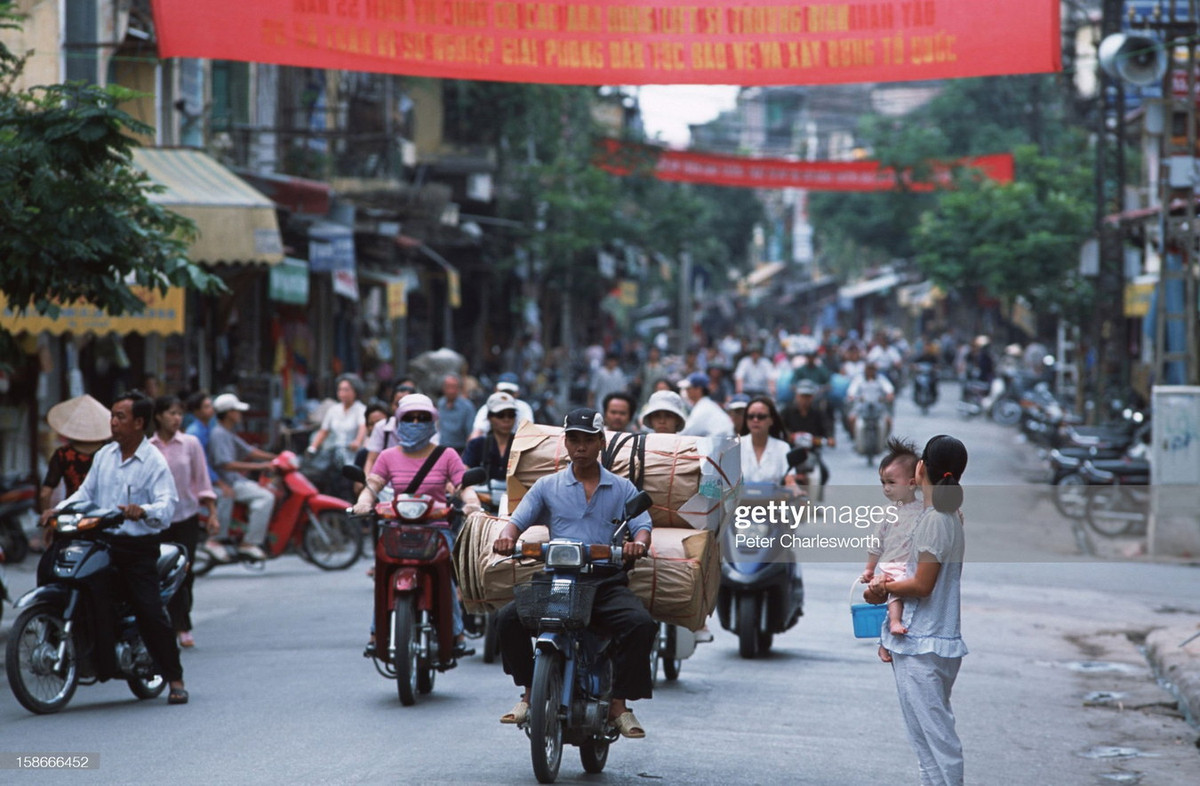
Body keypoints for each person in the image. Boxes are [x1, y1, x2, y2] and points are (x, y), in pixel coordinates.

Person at [492, 408, 655, 739]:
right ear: (565, 443)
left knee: (641, 624)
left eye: (588, 440)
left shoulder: (622, 487)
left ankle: (618, 704)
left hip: (604, 581)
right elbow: (517, 521)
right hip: (559, 581)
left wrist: (638, 543)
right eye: (574, 439)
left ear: (601, 442)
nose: (580, 446)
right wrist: (507, 537)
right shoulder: (547, 485)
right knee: (506, 619)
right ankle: (528, 694)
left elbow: (642, 526)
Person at [41, 391, 187, 704]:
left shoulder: (153, 461)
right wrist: (58, 510)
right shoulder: (105, 455)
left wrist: (143, 510)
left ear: (139, 422)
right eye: (113, 416)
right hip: (101, 543)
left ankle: (175, 679)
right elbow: (85, 493)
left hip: (137, 549)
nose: (113, 422)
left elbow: (166, 506)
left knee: (149, 610)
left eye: (120, 417)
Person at [865, 434, 968, 786]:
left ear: (921, 468)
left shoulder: (935, 520)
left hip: (924, 644)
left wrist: (883, 588)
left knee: (937, 742)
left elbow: (922, 585)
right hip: (927, 641)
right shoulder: (943, 515)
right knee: (926, 743)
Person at [352, 394, 481, 655]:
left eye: (422, 418)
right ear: (399, 422)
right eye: (409, 418)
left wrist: (472, 504)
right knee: (383, 575)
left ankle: (456, 632)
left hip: (437, 529)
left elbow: (463, 486)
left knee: (446, 576)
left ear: (432, 421)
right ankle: (376, 632)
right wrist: (363, 502)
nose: (415, 423)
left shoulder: (447, 455)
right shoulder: (387, 456)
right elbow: (373, 485)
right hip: (397, 529)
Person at [151, 395, 219, 649]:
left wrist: (212, 513)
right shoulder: (149, 447)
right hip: (158, 520)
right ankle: (168, 624)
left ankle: (183, 624)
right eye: (171, 413)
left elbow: (202, 480)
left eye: (179, 414)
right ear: (159, 416)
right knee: (160, 573)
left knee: (184, 573)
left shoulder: (190, 443)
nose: (176, 418)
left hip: (186, 515)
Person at [37, 394, 111, 584]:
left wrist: (48, 520)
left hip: (70, 517)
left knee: (59, 562)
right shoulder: (109, 453)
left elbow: (46, 492)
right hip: (102, 517)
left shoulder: (63, 454)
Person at [860, 437, 922, 637]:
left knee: (906, 594)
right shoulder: (886, 512)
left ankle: (890, 631)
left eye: (891, 482)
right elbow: (876, 544)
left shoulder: (924, 510)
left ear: (911, 483)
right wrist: (869, 569)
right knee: (893, 593)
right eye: (883, 482)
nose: (886, 488)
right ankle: (894, 622)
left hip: (913, 566)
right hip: (893, 566)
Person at [208, 393, 277, 561]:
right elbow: (226, 464)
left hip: (235, 480)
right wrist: (261, 466)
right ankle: (249, 542)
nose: (240, 414)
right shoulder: (218, 434)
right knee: (266, 497)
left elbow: (250, 451)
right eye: (237, 411)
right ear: (229, 413)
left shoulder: (228, 432)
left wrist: (276, 457)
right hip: (228, 482)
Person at [185, 390, 234, 561]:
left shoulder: (208, 427)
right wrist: (219, 483)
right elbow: (201, 464)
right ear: (197, 411)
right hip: (197, 481)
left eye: (210, 406)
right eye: (206, 407)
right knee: (225, 495)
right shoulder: (195, 432)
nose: (211, 409)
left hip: (206, 477)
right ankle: (216, 539)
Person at [739, 396, 799, 491]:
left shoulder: (782, 448)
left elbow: (790, 481)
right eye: (750, 416)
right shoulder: (735, 445)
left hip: (774, 500)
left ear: (771, 420)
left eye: (761, 417)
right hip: (740, 500)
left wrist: (796, 491)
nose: (755, 420)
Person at [306, 373, 367, 465]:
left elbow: (362, 427)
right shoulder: (333, 409)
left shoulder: (361, 409)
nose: (342, 393)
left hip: (353, 455)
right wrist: (313, 447)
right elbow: (324, 431)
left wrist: (357, 442)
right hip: (334, 454)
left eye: (346, 390)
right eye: (340, 390)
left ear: (355, 391)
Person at [462, 392, 518, 483]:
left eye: (511, 415)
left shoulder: (522, 445)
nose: (506, 419)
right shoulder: (476, 445)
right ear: (489, 417)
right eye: (500, 415)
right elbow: (464, 471)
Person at [469, 373, 535, 440]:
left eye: (510, 392)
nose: (506, 396)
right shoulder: (486, 408)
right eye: (503, 392)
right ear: (496, 390)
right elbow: (477, 433)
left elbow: (529, 434)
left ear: (517, 393)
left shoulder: (523, 408)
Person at [846, 362, 895, 436]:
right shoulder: (858, 379)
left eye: (872, 369)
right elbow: (852, 390)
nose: (870, 371)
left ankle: (885, 438)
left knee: (888, 421)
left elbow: (889, 388)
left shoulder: (881, 379)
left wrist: (889, 395)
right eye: (869, 369)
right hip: (861, 407)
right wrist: (852, 396)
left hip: (878, 406)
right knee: (851, 419)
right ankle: (855, 437)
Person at [679, 372, 734, 437]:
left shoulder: (703, 407)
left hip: (723, 441)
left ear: (698, 389)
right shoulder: (705, 404)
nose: (686, 391)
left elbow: (685, 432)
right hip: (721, 440)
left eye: (688, 388)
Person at [436, 373, 476, 452]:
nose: (451, 391)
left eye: (454, 387)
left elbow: (471, 432)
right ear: (443, 388)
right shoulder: (441, 403)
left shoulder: (467, 406)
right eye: (448, 387)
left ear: (459, 388)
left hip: (460, 449)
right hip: (442, 447)